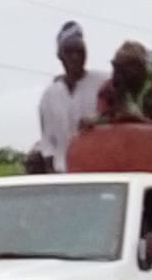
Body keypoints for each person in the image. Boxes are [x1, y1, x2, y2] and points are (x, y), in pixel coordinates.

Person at [39, 21, 108, 172]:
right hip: (62, 171)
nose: (75, 57)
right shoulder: (50, 95)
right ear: (61, 56)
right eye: (69, 52)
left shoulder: (103, 82)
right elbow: (48, 142)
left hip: (98, 169)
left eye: (80, 51)